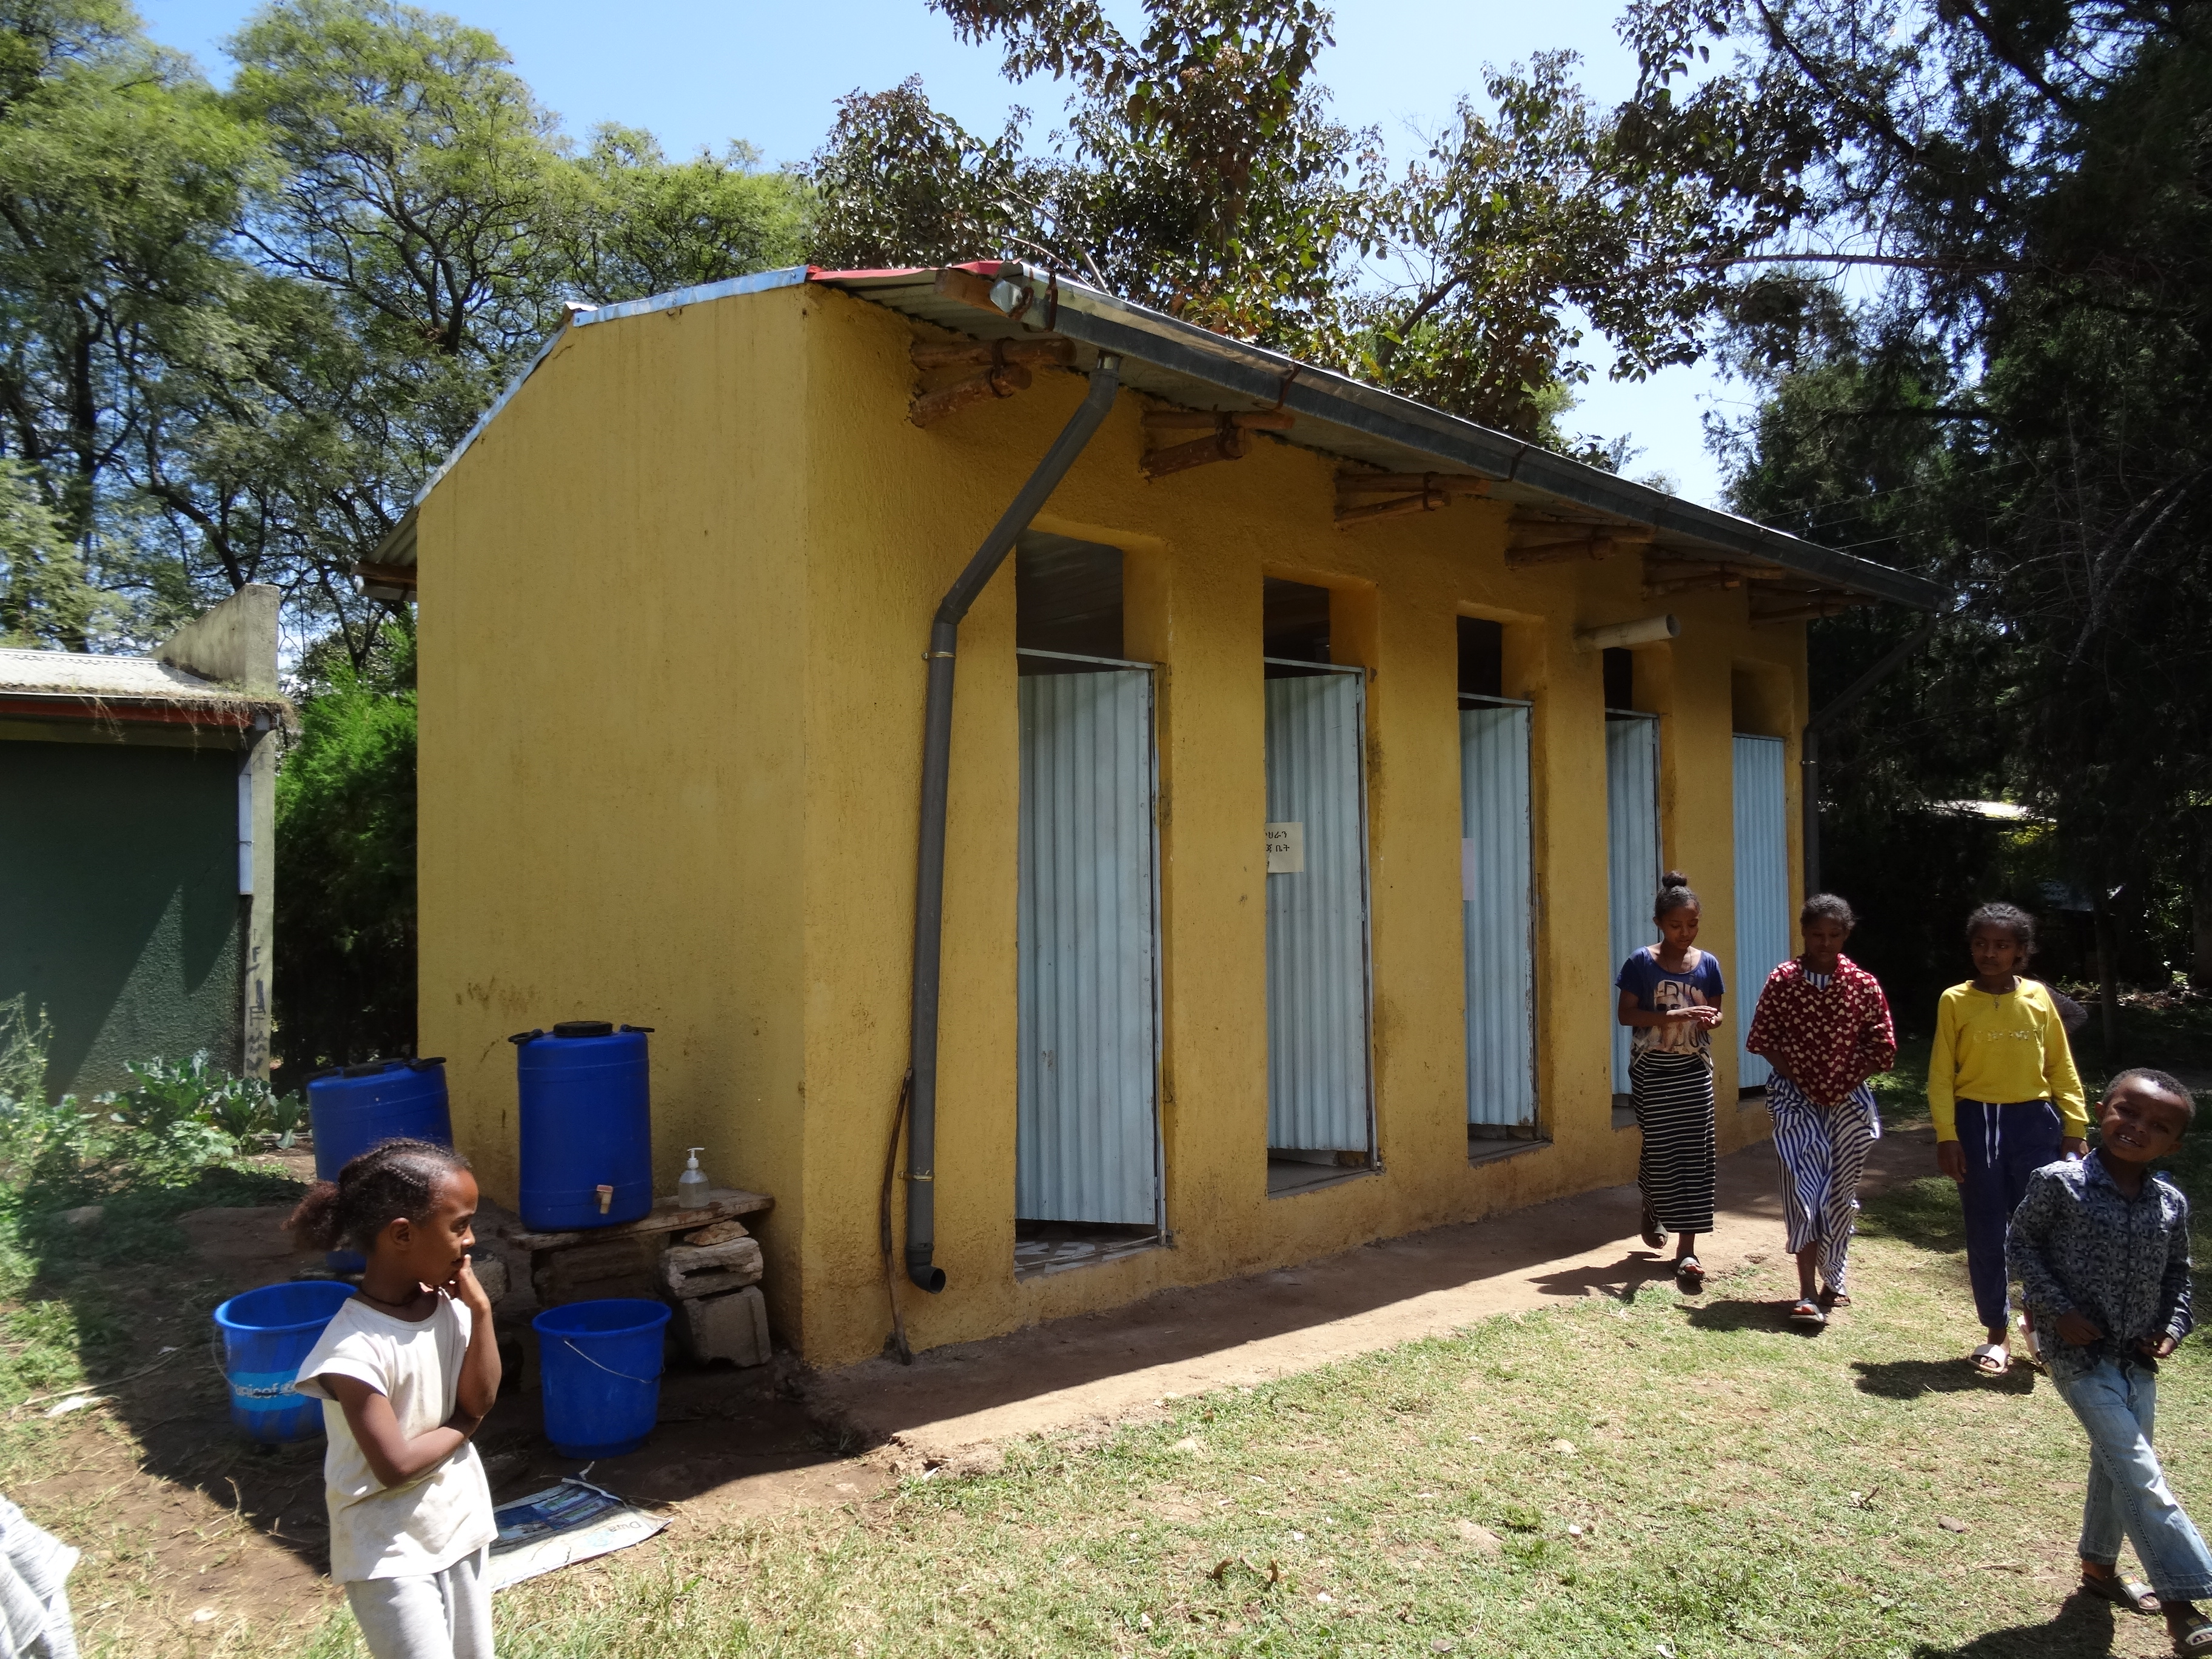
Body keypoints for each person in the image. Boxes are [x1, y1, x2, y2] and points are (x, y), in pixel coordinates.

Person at [2008, 1069, 2208, 1655]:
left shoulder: (2170, 1202)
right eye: (2128, 1113)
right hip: (2077, 1354)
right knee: (2139, 1469)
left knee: (2116, 1462)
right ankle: (2181, 1602)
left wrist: (2172, 1329)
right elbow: (2021, 1246)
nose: (2138, 1129)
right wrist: (2057, 1310)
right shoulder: (2059, 1183)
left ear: (2174, 1145)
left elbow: (2179, 1276)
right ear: (2103, 1110)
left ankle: (2098, 1569)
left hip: (2136, 1362)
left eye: (2159, 1127)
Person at [288, 1139, 501, 1659]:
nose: (470, 1240)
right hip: (386, 1548)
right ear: (402, 1234)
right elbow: (396, 1465)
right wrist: (465, 1424)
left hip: (457, 1523)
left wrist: (482, 1314)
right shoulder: (352, 1351)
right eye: (459, 1225)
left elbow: (482, 1395)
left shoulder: (448, 1309)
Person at [1928, 902, 2088, 1376]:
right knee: (1985, 1230)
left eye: (2002, 946)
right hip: (1976, 1126)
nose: (1990, 954)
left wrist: (2075, 1129)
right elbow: (1940, 1075)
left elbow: (2060, 1066)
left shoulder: (2039, 998)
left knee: (2041, 1231)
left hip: (2034, 1125)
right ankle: (1996, 1334)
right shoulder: (1954, 1000)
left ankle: (2039, 1326)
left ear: (2021, 951)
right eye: (1981, 944)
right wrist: (1947, 1135)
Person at [1744, 892, 1897, 1329]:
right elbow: (1763, 1039)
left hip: (1849, 1102)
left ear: (1846, 934)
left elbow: (1883, 1047)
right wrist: (1799, 1078)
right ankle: (1807, 1292)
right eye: (1817, 935)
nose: (1825, 943)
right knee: (1802, 1188)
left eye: (1834, 935)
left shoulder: (1864, 985)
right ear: (1804, 934)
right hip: (1794, 1100)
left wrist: (1845, 1080)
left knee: (1839, 1195)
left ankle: (1835, 1276)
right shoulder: (1783, 980)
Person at [1617, 871, 1725, 1291]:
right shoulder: (1640, 963)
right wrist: (1670, 1017)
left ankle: (1688, 1251)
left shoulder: (1708, 965)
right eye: (1677, 925)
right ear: (1660, 922)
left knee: (1696, 1155)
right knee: (1661, 1148)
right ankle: (1654, 1199)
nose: (1686, 932)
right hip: (1652, 1071)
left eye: (1693, 924)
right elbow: (1626, 1015)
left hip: (1695, 1070)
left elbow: (1715, 1016)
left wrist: (1711, 1018)